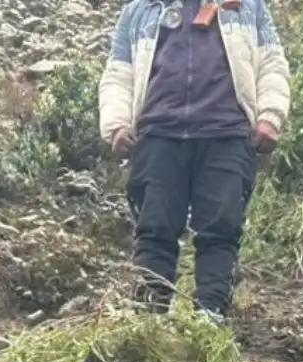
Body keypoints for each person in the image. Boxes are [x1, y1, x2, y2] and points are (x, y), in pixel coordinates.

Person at [98, 0, 290, 318]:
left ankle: (210, 317)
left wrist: (270, 116)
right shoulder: (140, 10)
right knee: (155, 227)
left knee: (220, 228)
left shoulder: (246, 6)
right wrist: (117, 125)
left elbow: (272, 63)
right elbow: (118, 74)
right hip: (158, 135)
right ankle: (148, 318)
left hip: (226, 133)